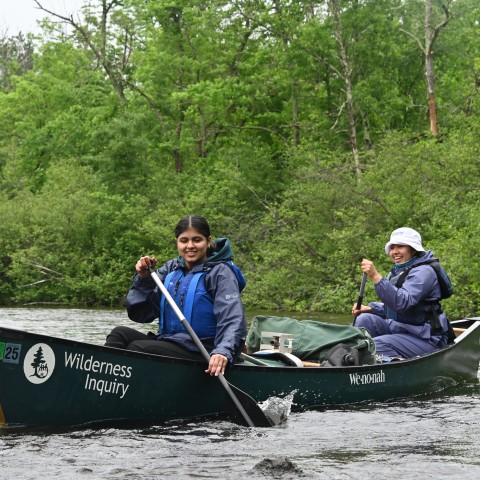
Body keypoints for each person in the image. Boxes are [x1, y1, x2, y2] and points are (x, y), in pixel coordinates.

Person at [105, 215, 247, 377]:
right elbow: (142, 313)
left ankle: (127, 389)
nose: (190, 246)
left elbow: (233, 318)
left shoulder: (220, 273)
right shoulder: (171, 269)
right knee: (119, 334)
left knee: (138, 349)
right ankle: (106, 383)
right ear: (177, 242)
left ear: (208, 241)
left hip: (205, 350)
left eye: (197, 240)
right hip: (170, 343)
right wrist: (144, 280)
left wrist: (223, 351)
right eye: (184, 240)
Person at [352, 227, 452, 359]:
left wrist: (376, 276)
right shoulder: (399, 271)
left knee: (376, 345)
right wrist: (371, 309)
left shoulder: (424, 272)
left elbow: (402, 303)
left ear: (413, 248)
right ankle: (360, 361)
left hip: (426, 338)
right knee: (364, 319)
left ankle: (387, 366)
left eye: (400, 246)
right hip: (402, 330)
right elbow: (395, 310)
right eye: (392, 247)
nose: (395, 251)